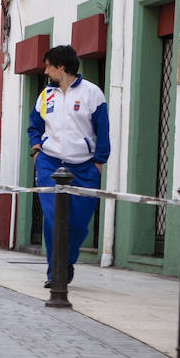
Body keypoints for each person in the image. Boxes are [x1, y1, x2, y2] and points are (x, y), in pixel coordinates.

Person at [28, 45, 109, 287]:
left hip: (84, 167)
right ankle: (56, 273)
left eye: (47, 66)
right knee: (53, 219)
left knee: (77, 222)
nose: (45, 71)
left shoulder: (92, 93)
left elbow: (102, 130)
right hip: (49, 164)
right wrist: (36, 151)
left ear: (60, 67)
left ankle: (67, 261)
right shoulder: (45, 95)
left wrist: (99, 163)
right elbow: (34, 126)